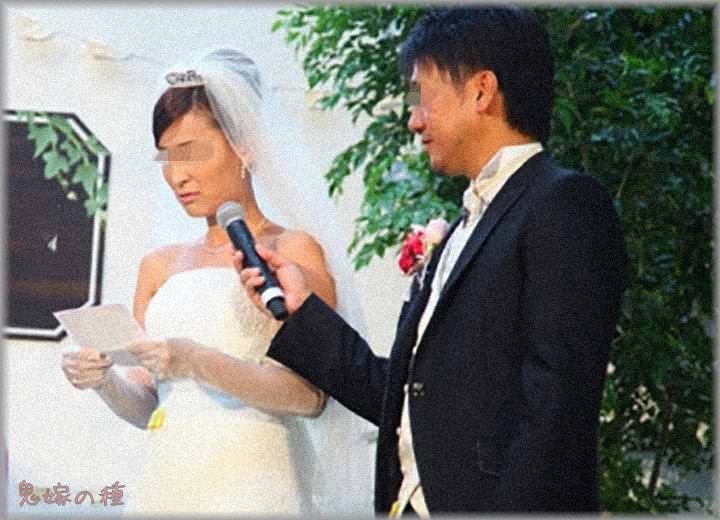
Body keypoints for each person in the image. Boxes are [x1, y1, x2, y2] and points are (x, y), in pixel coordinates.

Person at [236, 6, 627, 516]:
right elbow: (404, 397)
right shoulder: (462, 228)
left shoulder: (563, 204)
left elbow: (556, 408)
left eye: (424, 96)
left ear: (482, 91)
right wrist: (299, 310)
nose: (413, 119)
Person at [60, 47, 374, 515]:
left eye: (190, 152)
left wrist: (197, 361)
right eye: (167, 157)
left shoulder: (292, 251)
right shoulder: (158, 266)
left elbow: (310, 397)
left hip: (257, 482)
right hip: (169, 482)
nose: (177, 175)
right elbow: (150, 405)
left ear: (243, 146)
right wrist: (103, 380)